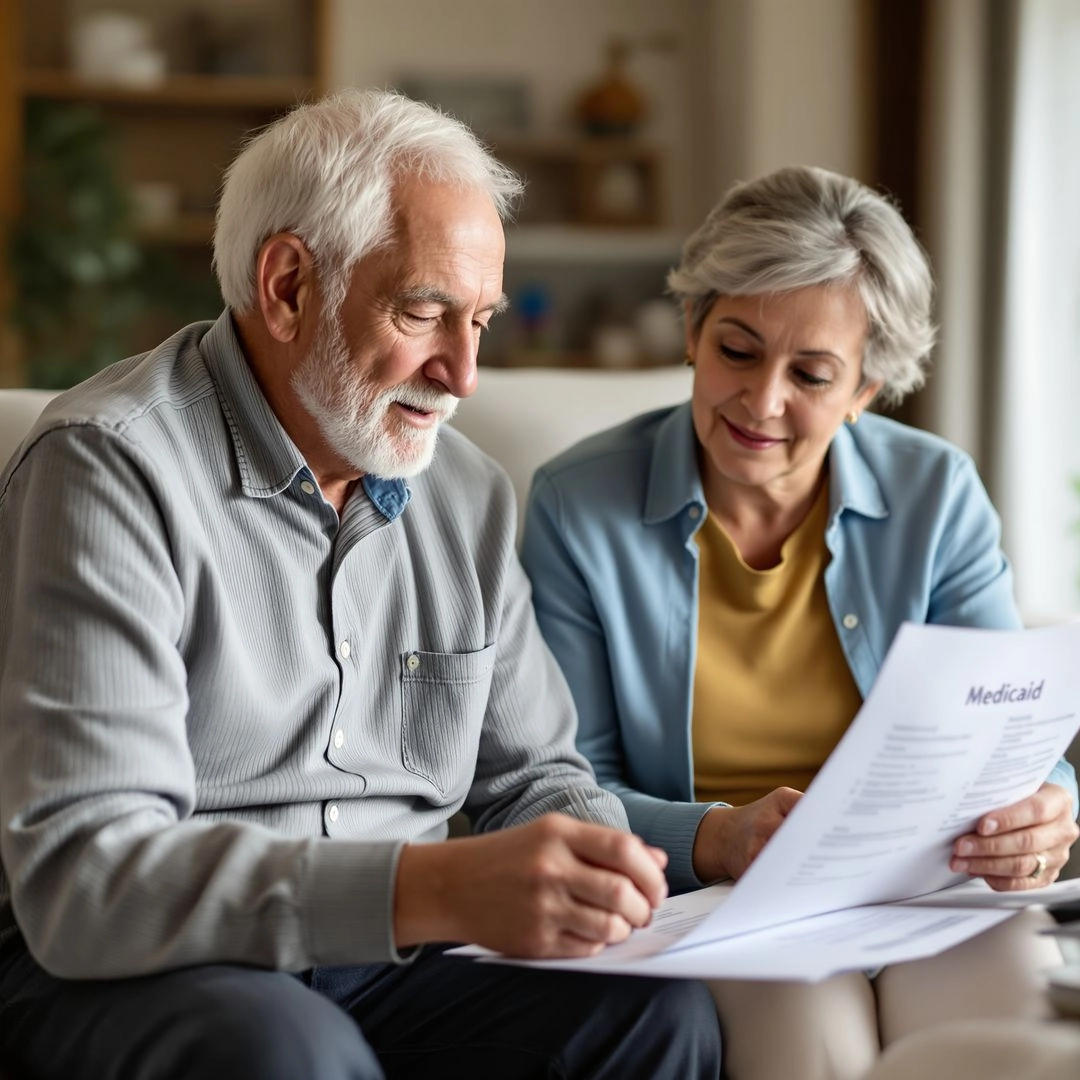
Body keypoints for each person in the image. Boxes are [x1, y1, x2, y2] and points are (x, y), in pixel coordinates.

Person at [0, 89, 722, 1080]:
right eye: (424, 312)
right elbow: (89, 876)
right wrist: (426, 887)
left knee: (655, 1018)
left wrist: (602, 873)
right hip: (151, 965)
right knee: (286, 1049)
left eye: (480, 321)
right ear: (289, 285)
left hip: (387, 965)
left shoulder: (462, 491)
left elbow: (537, 778)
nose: (464, 374)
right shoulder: (109, 469)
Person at [520, 164, 1080, 1080]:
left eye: (812, 374)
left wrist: (1050, 806)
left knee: (1012, 1030)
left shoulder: (936, 494)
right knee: (815, 1044)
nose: (762, 400)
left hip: (924, 887)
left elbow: (1015, 733)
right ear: (693, 332)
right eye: (737, 350)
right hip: (727, 897)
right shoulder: (576, 506)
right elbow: (563, 783)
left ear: (866, 389)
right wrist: (718, 835)